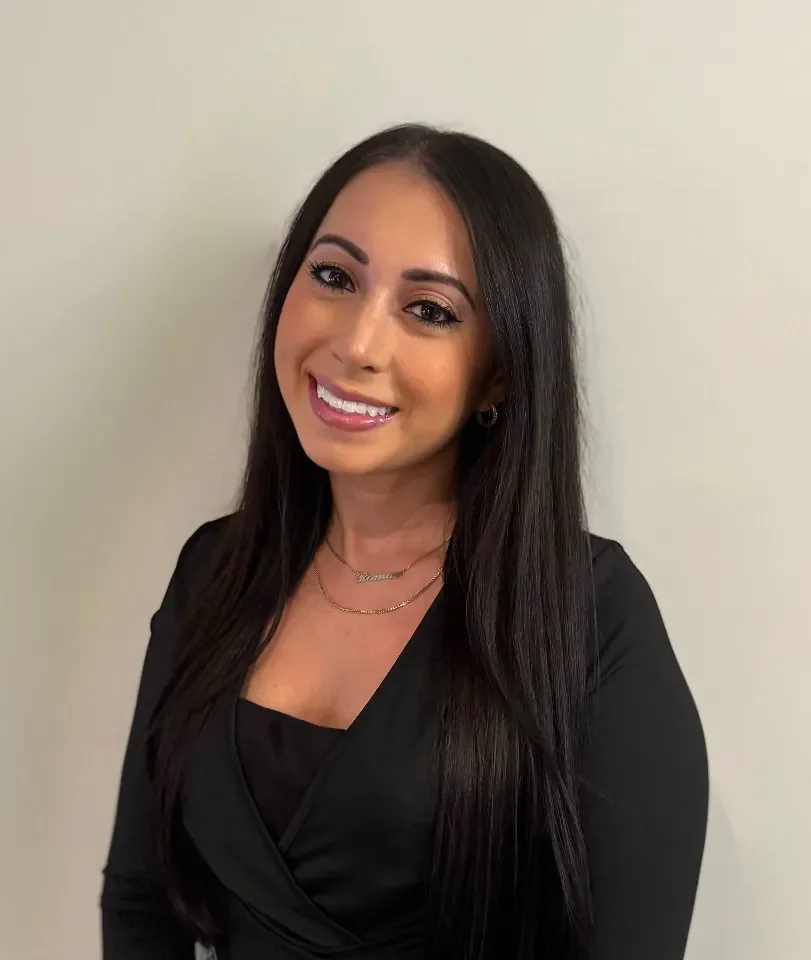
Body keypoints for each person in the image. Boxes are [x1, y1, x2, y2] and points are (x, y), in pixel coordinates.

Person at [101, 124, 708, 960]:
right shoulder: (214, 570)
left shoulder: (587, 612)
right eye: (333, 277)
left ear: (498, 373)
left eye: (428, 310)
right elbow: (140, 901)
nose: (356, 343)